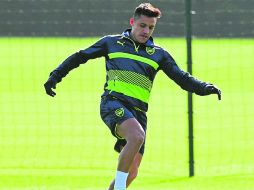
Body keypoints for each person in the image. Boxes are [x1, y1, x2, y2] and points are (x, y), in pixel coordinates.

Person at [44, 3, 221, 190]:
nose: (146, 31)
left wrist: (205, 87)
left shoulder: (159, 55)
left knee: (133, 172)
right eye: (142, 26)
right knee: (136, 137)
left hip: (138, 114)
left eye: (151, 27)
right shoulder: (111, 43)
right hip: (113, 103)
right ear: (132, 22)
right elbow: (80, 56)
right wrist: (55, 76)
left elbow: (182, 78)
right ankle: (120, 187)